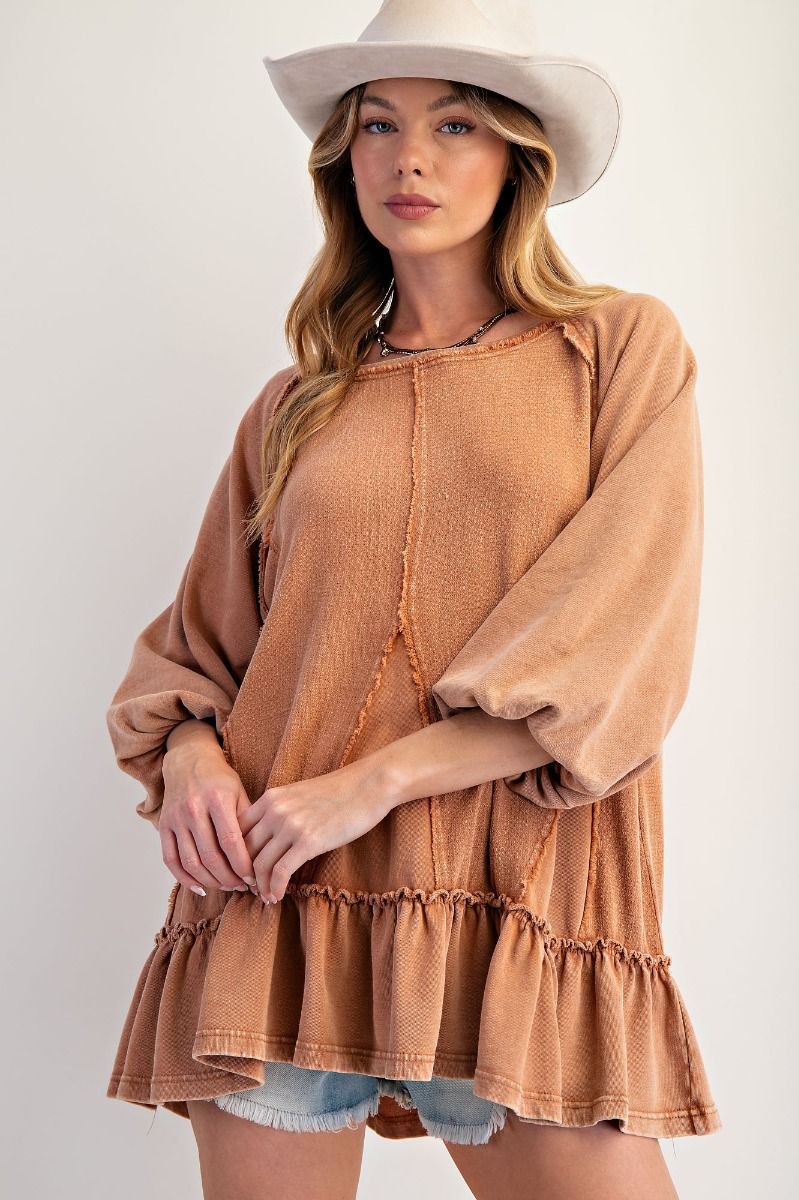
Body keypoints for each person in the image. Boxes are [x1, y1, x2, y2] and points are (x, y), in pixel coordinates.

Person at [104, 3, 721, 1197]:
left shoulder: (615, 350)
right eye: (378, 125)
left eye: (454, 124)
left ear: (518, 155)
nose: (410, 159)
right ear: (345, 162)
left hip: (514, 903)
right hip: (276, 906)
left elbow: (618, 647)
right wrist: (188, 763)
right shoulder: (297, 404)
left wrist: (373, 782)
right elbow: (198, 653)